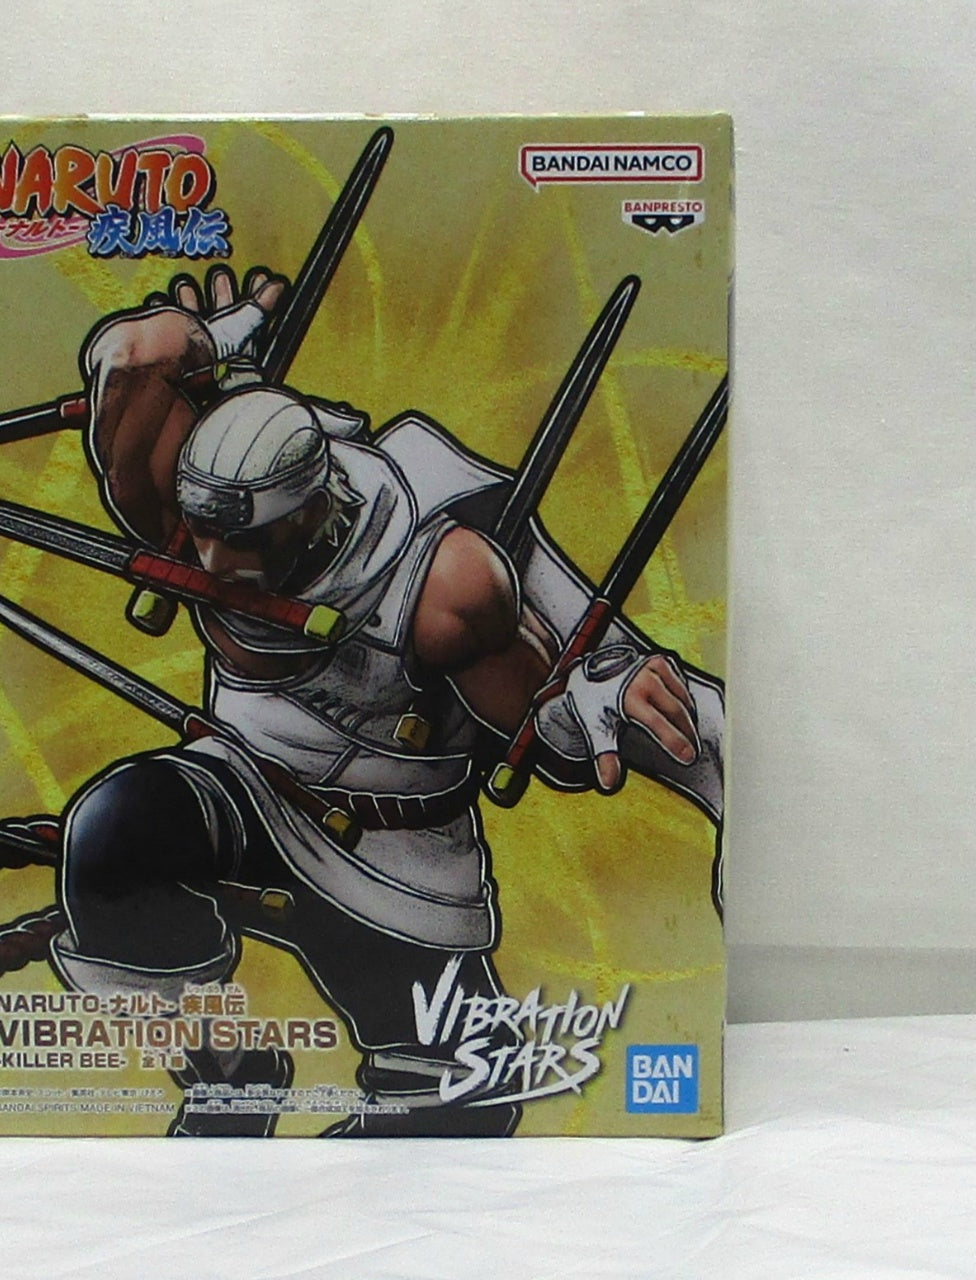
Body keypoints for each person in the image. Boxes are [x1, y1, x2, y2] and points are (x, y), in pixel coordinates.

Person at [48, 264, 723, 1136]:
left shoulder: (443, 583)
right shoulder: (185, 496)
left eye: (243, 541)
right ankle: (229, 1082)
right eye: (202, 534)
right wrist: (218, 337)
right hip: (244, 790)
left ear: (308, 513)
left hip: (393, 862)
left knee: (462, 1115)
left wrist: (593, 694)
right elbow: (135, 354)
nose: (211, 566)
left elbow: (537, 719)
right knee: (113, 836)